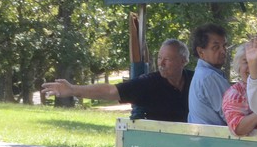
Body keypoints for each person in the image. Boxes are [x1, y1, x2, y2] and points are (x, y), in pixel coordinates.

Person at [42, 39, 192, 122]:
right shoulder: (148, 83)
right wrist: (73, 90)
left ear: (183, 61)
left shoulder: (196, 81)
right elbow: (110, 91)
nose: (161, 63)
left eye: (168, 59)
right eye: (159, 58)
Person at [222, 43, 257, 136]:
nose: (252, 66)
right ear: (238, 67)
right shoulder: (234, 93)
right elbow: (238, 129)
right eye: (246, 62)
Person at [187, 23, 231, 125]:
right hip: (213, 135)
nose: (223, 51)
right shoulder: (208, 77)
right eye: (216, 47)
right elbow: (234, 117)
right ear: (201, 52)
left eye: (224, 46)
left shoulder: (203, 74)